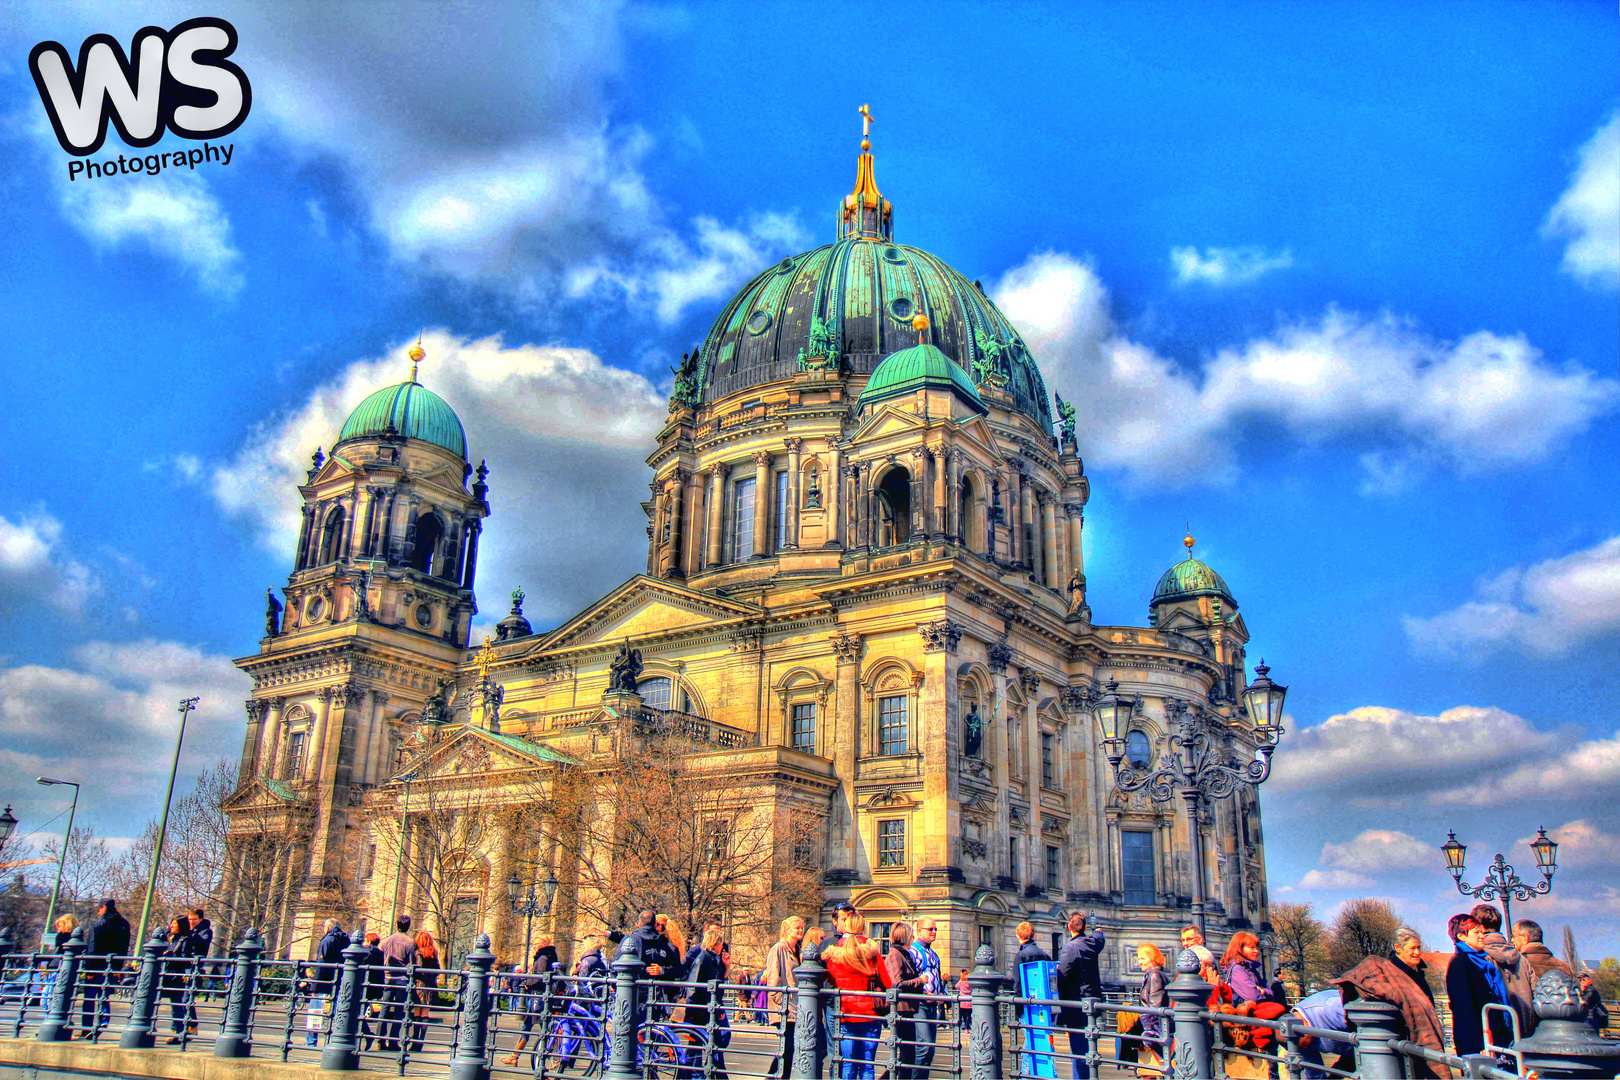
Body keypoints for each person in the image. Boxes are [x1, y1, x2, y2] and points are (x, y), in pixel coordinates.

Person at [1333, 928, 1450, 1079]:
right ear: (1398, 948)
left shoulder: (1416, 974)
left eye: (1418, 948)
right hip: (1399, 1041)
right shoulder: (1389, 974)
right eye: (1412, 948)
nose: (1417, 953)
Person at [823, 910, 891, 1080]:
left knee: (848, 1064)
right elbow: (888, 983)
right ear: (862, 928)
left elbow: (831, 980)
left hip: (846, 1012)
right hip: (870, 1014)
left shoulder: (835, 953)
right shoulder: (872, 952)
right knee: (867, 1065)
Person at [1445, 913, 1513, 1056]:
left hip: (1496, 1035)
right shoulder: (1459, 964)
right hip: (1478, 1043)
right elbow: (1464, 1009)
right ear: (1461, 936)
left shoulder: (1485, 963)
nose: (1482, 936)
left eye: (1482, 932)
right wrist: (1480, 1045)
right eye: (1477, 933)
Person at [1055, 912, 1105, 1080]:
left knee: (1078, 1049)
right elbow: (1100, 939)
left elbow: (1063, 976)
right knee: (1089, 1043)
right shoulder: (1093, 942)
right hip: (1093, 999)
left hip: (1076, 1003)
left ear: (1069, 927)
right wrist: (1098, 931)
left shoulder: (1070, 947)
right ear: (1084, 927)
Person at [1471, 904, 1531, 1034]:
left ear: (1480, 927)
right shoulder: (1522, 958)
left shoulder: (1479, 957)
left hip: (1499, 1032)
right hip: (1528, 1029)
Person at [685, 926, 733, 1079]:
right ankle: (699, 1074)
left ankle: (712, 1071)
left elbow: (721, 979)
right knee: (700, 1043)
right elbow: (693, 987)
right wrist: (692, 1011)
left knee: (717, 1038)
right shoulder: (702, 958)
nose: (723, 947)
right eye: (721, 944)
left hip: (712, 1007)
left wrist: (727, 964)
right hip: (702, 1009)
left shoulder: (714, 958)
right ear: (715, 943)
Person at [885, 923, 929, 1080]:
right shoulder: (895, 955)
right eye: (911, 934)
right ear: (904, 936)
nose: (913, 937)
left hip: (908, 1008)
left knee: (907, 1053)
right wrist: (920, 981)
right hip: (901, 1010)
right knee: (906, 1053)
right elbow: (897, 983)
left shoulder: (904, 954)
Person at [763, 916, 805, 1079]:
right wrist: (782, 1001)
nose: (800, 930)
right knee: (787, 1046)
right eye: (797, 927)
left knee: (790, 1048)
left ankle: (780, 1076)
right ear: (787, 930)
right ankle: (774, 1077)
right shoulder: (779, 949)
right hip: (784, 1007)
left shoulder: (799, 950)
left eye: (802, 927)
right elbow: (773, 978)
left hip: (795, 1006)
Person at [82, 899, 131, 1039]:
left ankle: (86, 1027)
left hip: (97, 965)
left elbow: (92, 947)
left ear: (103, 908)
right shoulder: (124, 924)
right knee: (104, 995)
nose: (98, 911)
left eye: (99, 908)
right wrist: (118, 968)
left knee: (90, 997)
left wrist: (89, 969)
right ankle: (103, 1021)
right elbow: (124, 947)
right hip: (113, 966)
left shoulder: (98, 925)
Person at [907, 917, 945, 1080]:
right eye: (930, 929)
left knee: (930, 1050)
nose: (934, 932)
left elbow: (937, 976)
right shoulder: (913, 951)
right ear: (920, 930)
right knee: (924, 1047)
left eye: (935, 929)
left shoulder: (934, 954)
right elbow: (910, 976)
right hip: (920, 1005)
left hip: (932, 1005)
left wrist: (942, 993)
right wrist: (924, 993)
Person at [1291, 987, 1354, 1080]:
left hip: (1370, 1045)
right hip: (1351, 1051)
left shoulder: (1329, 1008)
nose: (1304, 1047)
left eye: (1303, 1044)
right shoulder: (1295, 1039)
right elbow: (1314, 1072)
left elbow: (1370, 1027)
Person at [378, 916, 419, 1051]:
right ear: (408, 926)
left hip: (387, 976)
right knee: (399, 1010)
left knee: (384, 1008)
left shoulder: (387, 940)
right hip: (402, 978)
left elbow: (379, 951)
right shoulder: (410, 942)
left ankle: (380, 1039)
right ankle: (393, 1040)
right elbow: (412, 963)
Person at [161, 914, 203, 1043]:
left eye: (174, 924)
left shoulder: (184, 940)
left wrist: (171, 955)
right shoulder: (174, 939)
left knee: (177, 1004)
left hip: (177, 976)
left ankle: (178, 1032)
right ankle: (178, 1031)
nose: (171, 926)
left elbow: (185, 960)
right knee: (175, 1004)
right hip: (170, 974)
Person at [307, 918, 349, 1046]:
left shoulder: (327, 940)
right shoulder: (346, 940)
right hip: (340, 980)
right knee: (338, 1011)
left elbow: (322, 963)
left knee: (315, 1011)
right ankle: (336, 1039)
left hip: (324, 980)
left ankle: (311, 1041)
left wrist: (315, 986)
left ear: (328, 928)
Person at [1133, 944, 1169, 1075]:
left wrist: (1150, 1032)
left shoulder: (1154, 976)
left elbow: (1155, 1007)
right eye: (1139, 959)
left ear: (1152, 959)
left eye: (1143, 958)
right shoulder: (1153, 974)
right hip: (1155, 1024)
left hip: (1156, 1027)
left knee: (1127, 1037)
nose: (1139, 962)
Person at [1221, 932, 1275, 1006]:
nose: (1256, 951)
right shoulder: (1238, 969)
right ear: (1240, 949)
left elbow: (1271, 993)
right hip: (1245, 1014)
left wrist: (1264, 991)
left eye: (1256, 947)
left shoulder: (1251, 968)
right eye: (1252, 948)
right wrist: (1263, 992)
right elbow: (1253, 996)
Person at [409, 930, 440, 1052]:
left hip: (420, 985)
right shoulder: (434, 953)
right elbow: (437, 968)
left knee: (417, 1012)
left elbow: (418, 968)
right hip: (430, 985)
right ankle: (420, 1041)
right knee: (425, 1013)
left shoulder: (418, 952)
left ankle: (415, 1041)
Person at [359, 932, 385, 1052]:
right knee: (360, 1012)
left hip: (362, 985)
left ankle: (367, 1035)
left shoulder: (365, 952)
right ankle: (366, 1035)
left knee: (355, 1013)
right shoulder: (380, 954)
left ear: (368, 941)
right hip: (373, 988)